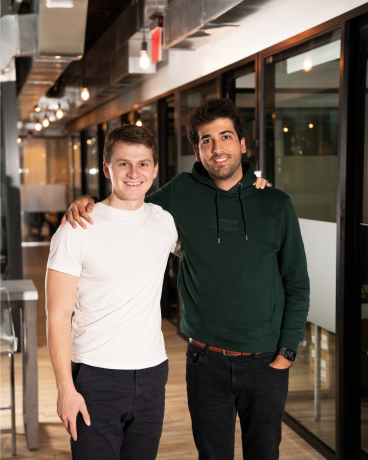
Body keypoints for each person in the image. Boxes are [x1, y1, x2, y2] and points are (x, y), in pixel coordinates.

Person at [62, 98, 309, 460]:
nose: (217, 147)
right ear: (197, 151)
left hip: (266, 360)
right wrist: (87, 202)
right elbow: (130, 206)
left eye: (225, 136)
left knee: (264, 452)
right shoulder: (180, 192)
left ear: (242, 144)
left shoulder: (275, 203)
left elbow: (297, 284)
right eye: (206, 140)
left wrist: (287, 351)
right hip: (204, 361)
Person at [45, 125, 181, 460]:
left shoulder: (164, 222)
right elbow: (57, 315)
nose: (134, 173)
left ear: (154, 170)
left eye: (143, 164)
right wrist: (66, 389)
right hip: (96, 376)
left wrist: (255, 186)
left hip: (152, 373)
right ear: (107, 169)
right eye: (124, 164)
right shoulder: (76, 228)